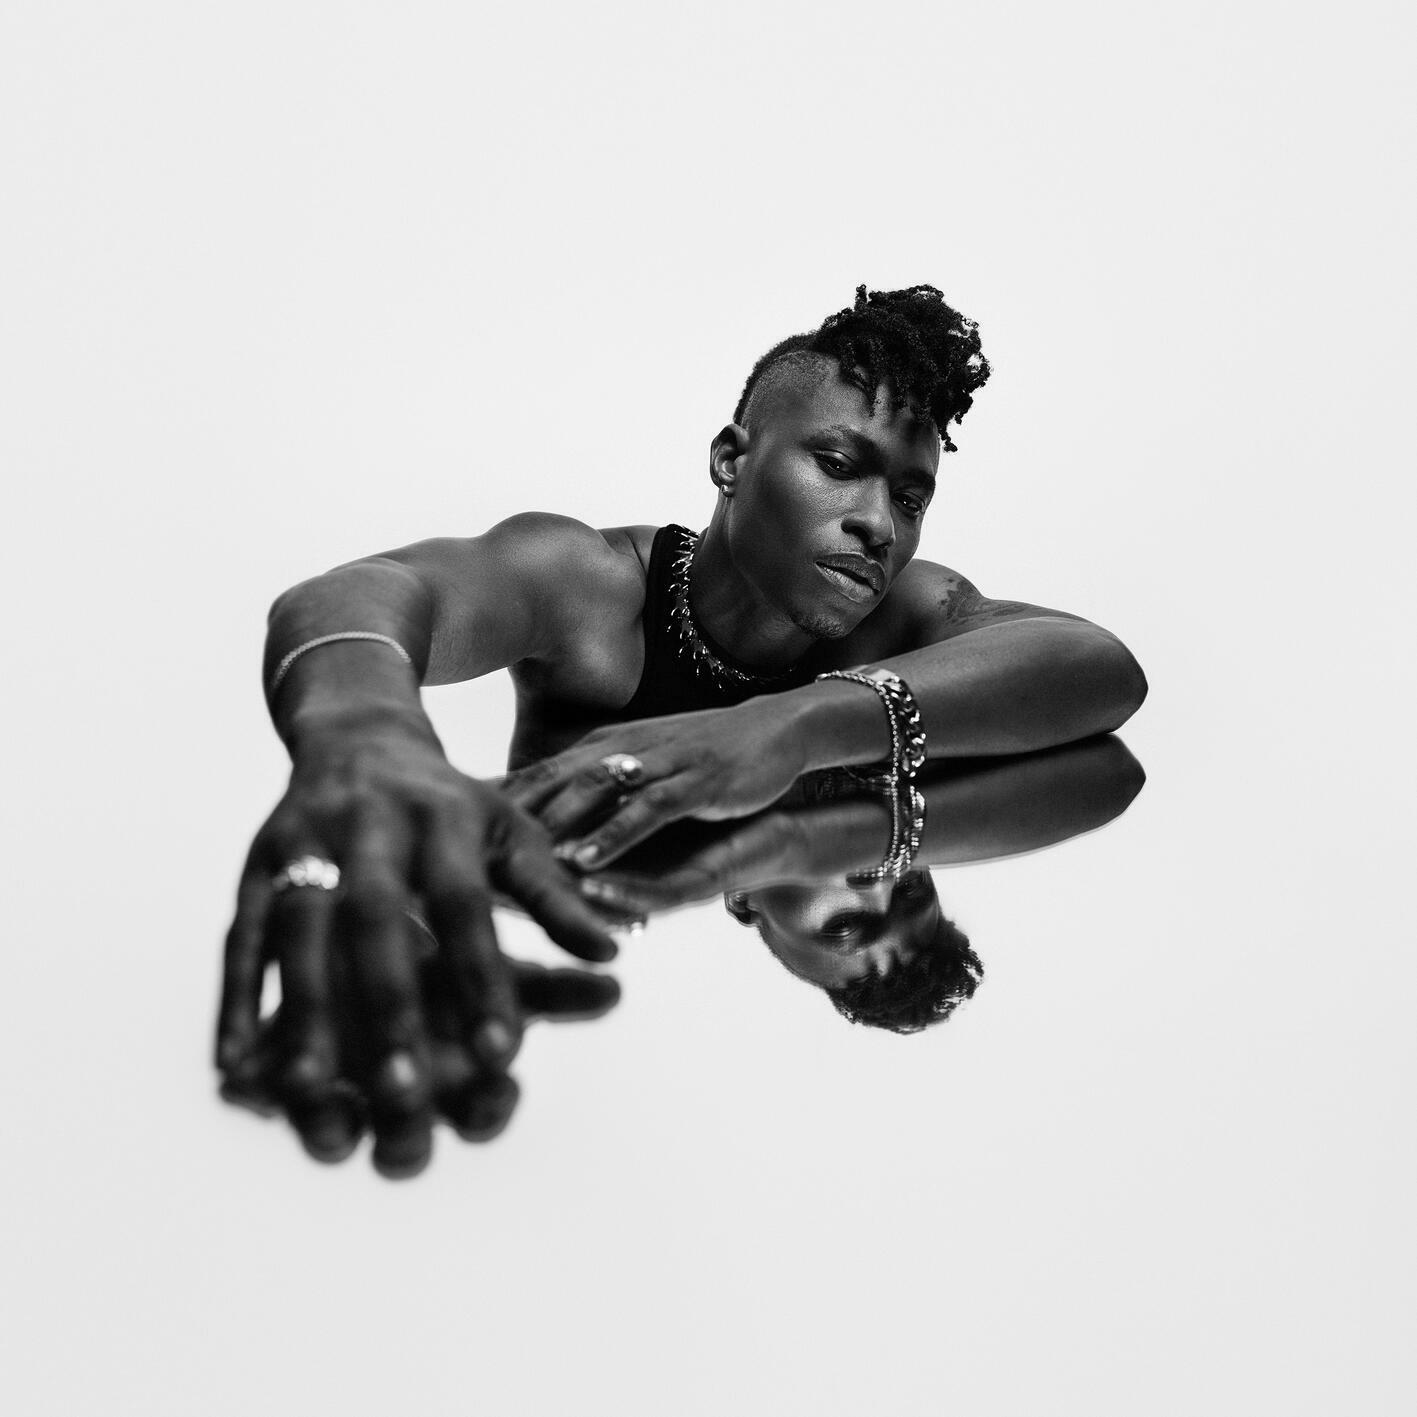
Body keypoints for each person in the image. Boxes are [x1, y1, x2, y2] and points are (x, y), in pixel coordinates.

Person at [217, 284, 1147, 1173]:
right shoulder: (589, 592)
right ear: (732, 460)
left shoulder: (896, 623)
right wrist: (365, 733)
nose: (877, 524)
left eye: (910, 498)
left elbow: (1099, 682)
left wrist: (792, 725)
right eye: (837, 464)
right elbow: (364, 595)